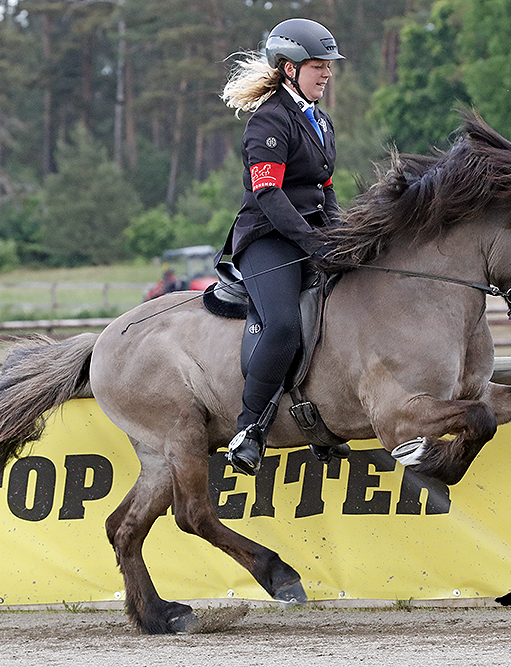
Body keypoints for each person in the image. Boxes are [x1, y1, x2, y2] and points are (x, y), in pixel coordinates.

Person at [217, 18, 344, 475]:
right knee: (286, 323)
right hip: (267, 239)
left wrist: (342, 236)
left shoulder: (321, 122)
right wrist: (312, 239)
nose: (326, 74)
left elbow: (324, 188)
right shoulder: (268, 121)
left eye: (328, 66)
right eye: (317, 66)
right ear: (289, 69)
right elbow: (269, 194)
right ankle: (249, 429)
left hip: (310, 236)